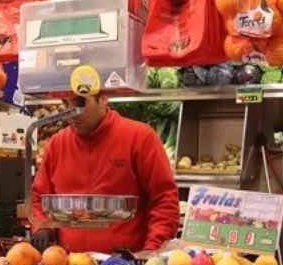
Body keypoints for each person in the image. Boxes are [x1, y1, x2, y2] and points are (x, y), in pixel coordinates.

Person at [31, 94, 179, 253]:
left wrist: (152, 251)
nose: (71, 112)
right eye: (65, 103)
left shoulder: (140, 137)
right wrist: (42, 226)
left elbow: (164, 199)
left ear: (103, 99)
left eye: (80, 103)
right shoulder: (57, 144)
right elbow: (39, 196)